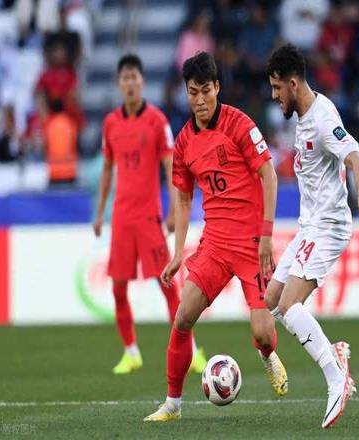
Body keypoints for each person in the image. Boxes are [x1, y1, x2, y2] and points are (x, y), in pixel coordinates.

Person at [144, 52, 287, 422]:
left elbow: (269, 176)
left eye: (206, 91)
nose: (200, 100)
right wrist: (178, 253)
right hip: (215, 245)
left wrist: (267, 235)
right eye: (193, 93)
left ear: (217, 88)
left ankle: (267, 354)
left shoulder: (239, 124)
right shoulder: (183, 143)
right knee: (183, 317)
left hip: (252, 245)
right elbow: (183, 197)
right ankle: (172, 405)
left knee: (263, 333)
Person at [264, 44, 359, 429]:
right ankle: (334, 353)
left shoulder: (322, 117)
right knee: (271, 301)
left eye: (277, 88)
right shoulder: (302, 116)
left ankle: (336, 378)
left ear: (293, 84)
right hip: (309, 226)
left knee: (291, 305)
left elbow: (355, 158)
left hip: (329, 226)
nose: (274, 95)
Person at [93, 54, 206, 375]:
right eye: (125, 78)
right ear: (119, 84)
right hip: (121, 216)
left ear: (142, 81)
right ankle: (131, 352)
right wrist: (99, 213)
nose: (130, 83)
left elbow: (171, 166)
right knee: (117, 288)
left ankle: (192, 350)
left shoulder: (156, 121)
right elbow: (107, 169)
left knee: (167, 283)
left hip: (148, 216)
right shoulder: (110, 123)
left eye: (134, 77)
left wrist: (172, 209)